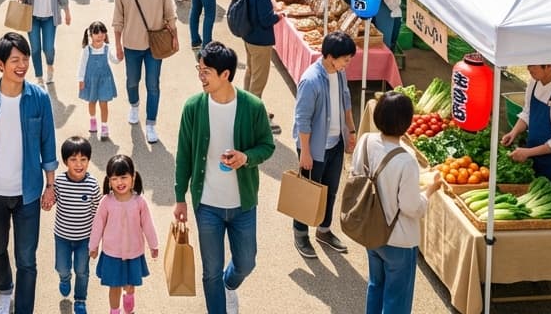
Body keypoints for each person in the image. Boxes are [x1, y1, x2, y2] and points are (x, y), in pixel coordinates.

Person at [173, 42, 276, 314]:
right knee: (210, 271)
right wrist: (179, 198)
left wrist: (246, 157)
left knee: (246, 263)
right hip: (207, 205)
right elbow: (183, 154)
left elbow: (268, 145)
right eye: (200, 69)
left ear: (226, 75)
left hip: (243, 205)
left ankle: (230, 285)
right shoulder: (193, 107)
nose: (201, 76)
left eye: (206, 71)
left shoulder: (253, 107)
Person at [0, 32, 58, 314]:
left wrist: (50, 185)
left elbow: (48, 143)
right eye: (15, 60)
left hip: (28, 192)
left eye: (25, 59)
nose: (22, 65)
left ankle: (24, 309)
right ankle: (5, 290)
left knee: (27, 258)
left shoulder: (39, 98)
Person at [356, 92, 443, 314]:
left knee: (376, 285)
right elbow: (411, 207)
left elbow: (356, 175)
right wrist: (430, 189)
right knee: (397, 300)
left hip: (370, 229)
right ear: (406, 123)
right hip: (398, 238)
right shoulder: (406, 160)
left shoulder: (365, 141)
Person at [292, 31, 358, 260]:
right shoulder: (311, 80)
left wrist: (350, 130)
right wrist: (305, 152)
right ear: (330, 57)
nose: (348, 63)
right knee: (307, 192)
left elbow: (346, 101)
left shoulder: (339, 74)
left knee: (330, 190)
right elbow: (303, 119)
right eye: (345, 59)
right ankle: (301, 233)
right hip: (314, 146)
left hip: (335, 143)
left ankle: (324, 230)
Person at [113, 0, 179, 145]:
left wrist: (175, 36)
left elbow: (170, 13)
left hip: (154, 46)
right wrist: (118, 45)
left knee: (153, 85)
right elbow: (118, 19)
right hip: (132, 44)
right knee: (132, 81)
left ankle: (151, 123)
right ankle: (134, 105)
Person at [88, 154, 158, 314]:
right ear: (109, 181)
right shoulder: (106, 202)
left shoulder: (139, 202)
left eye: (123, 177)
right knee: (114, 286)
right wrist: (93, 246)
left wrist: (154, 245)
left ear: (133, 177)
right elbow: (98, 225)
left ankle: (129, 305)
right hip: (112, 253)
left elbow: (148, 225)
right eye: (114, 179)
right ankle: (114, 311)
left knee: (130, 285)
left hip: (133, 253)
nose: (119, 182)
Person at [501, 64, 551, 194]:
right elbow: (527, 113)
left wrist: (527, 153)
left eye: (533, 65)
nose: (528, 68)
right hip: (536, 160)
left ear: (549, 66)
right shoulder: (534, 82)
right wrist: (513, 132)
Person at [54, 136, 102, 314]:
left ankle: (80, 299)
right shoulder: (59, 182)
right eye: (73, 159)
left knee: (82, 271)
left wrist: (96, 242)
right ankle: (64, 278)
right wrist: (46, 200)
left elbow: (98, 215)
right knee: (62, 266)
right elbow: (51, 201)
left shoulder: (92, 185)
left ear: (89, 161)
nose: (78, 164)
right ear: (66, 161)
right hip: (62, 236)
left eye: (83, 159)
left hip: (84, 238)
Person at [238, 0, 282, 133]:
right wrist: (278, 16)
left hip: (248, 36)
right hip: (260, 40)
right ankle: (254, 120)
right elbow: (266, 19)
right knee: (259, 80)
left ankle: (246, 109)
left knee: (250, 73)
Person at [78, 21, 120, 139]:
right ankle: (93, 120)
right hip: (91, 80)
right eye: (96, 33)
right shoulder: (87, 50)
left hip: (105, 80)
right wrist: (81, 80)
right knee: (92, 102)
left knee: (104, 103)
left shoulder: (107, 48)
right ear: (91, 35)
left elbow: (114, 60)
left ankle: (104, 126)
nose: (100, 35)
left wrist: (119, 57)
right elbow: (82, 65)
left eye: (102, 32)